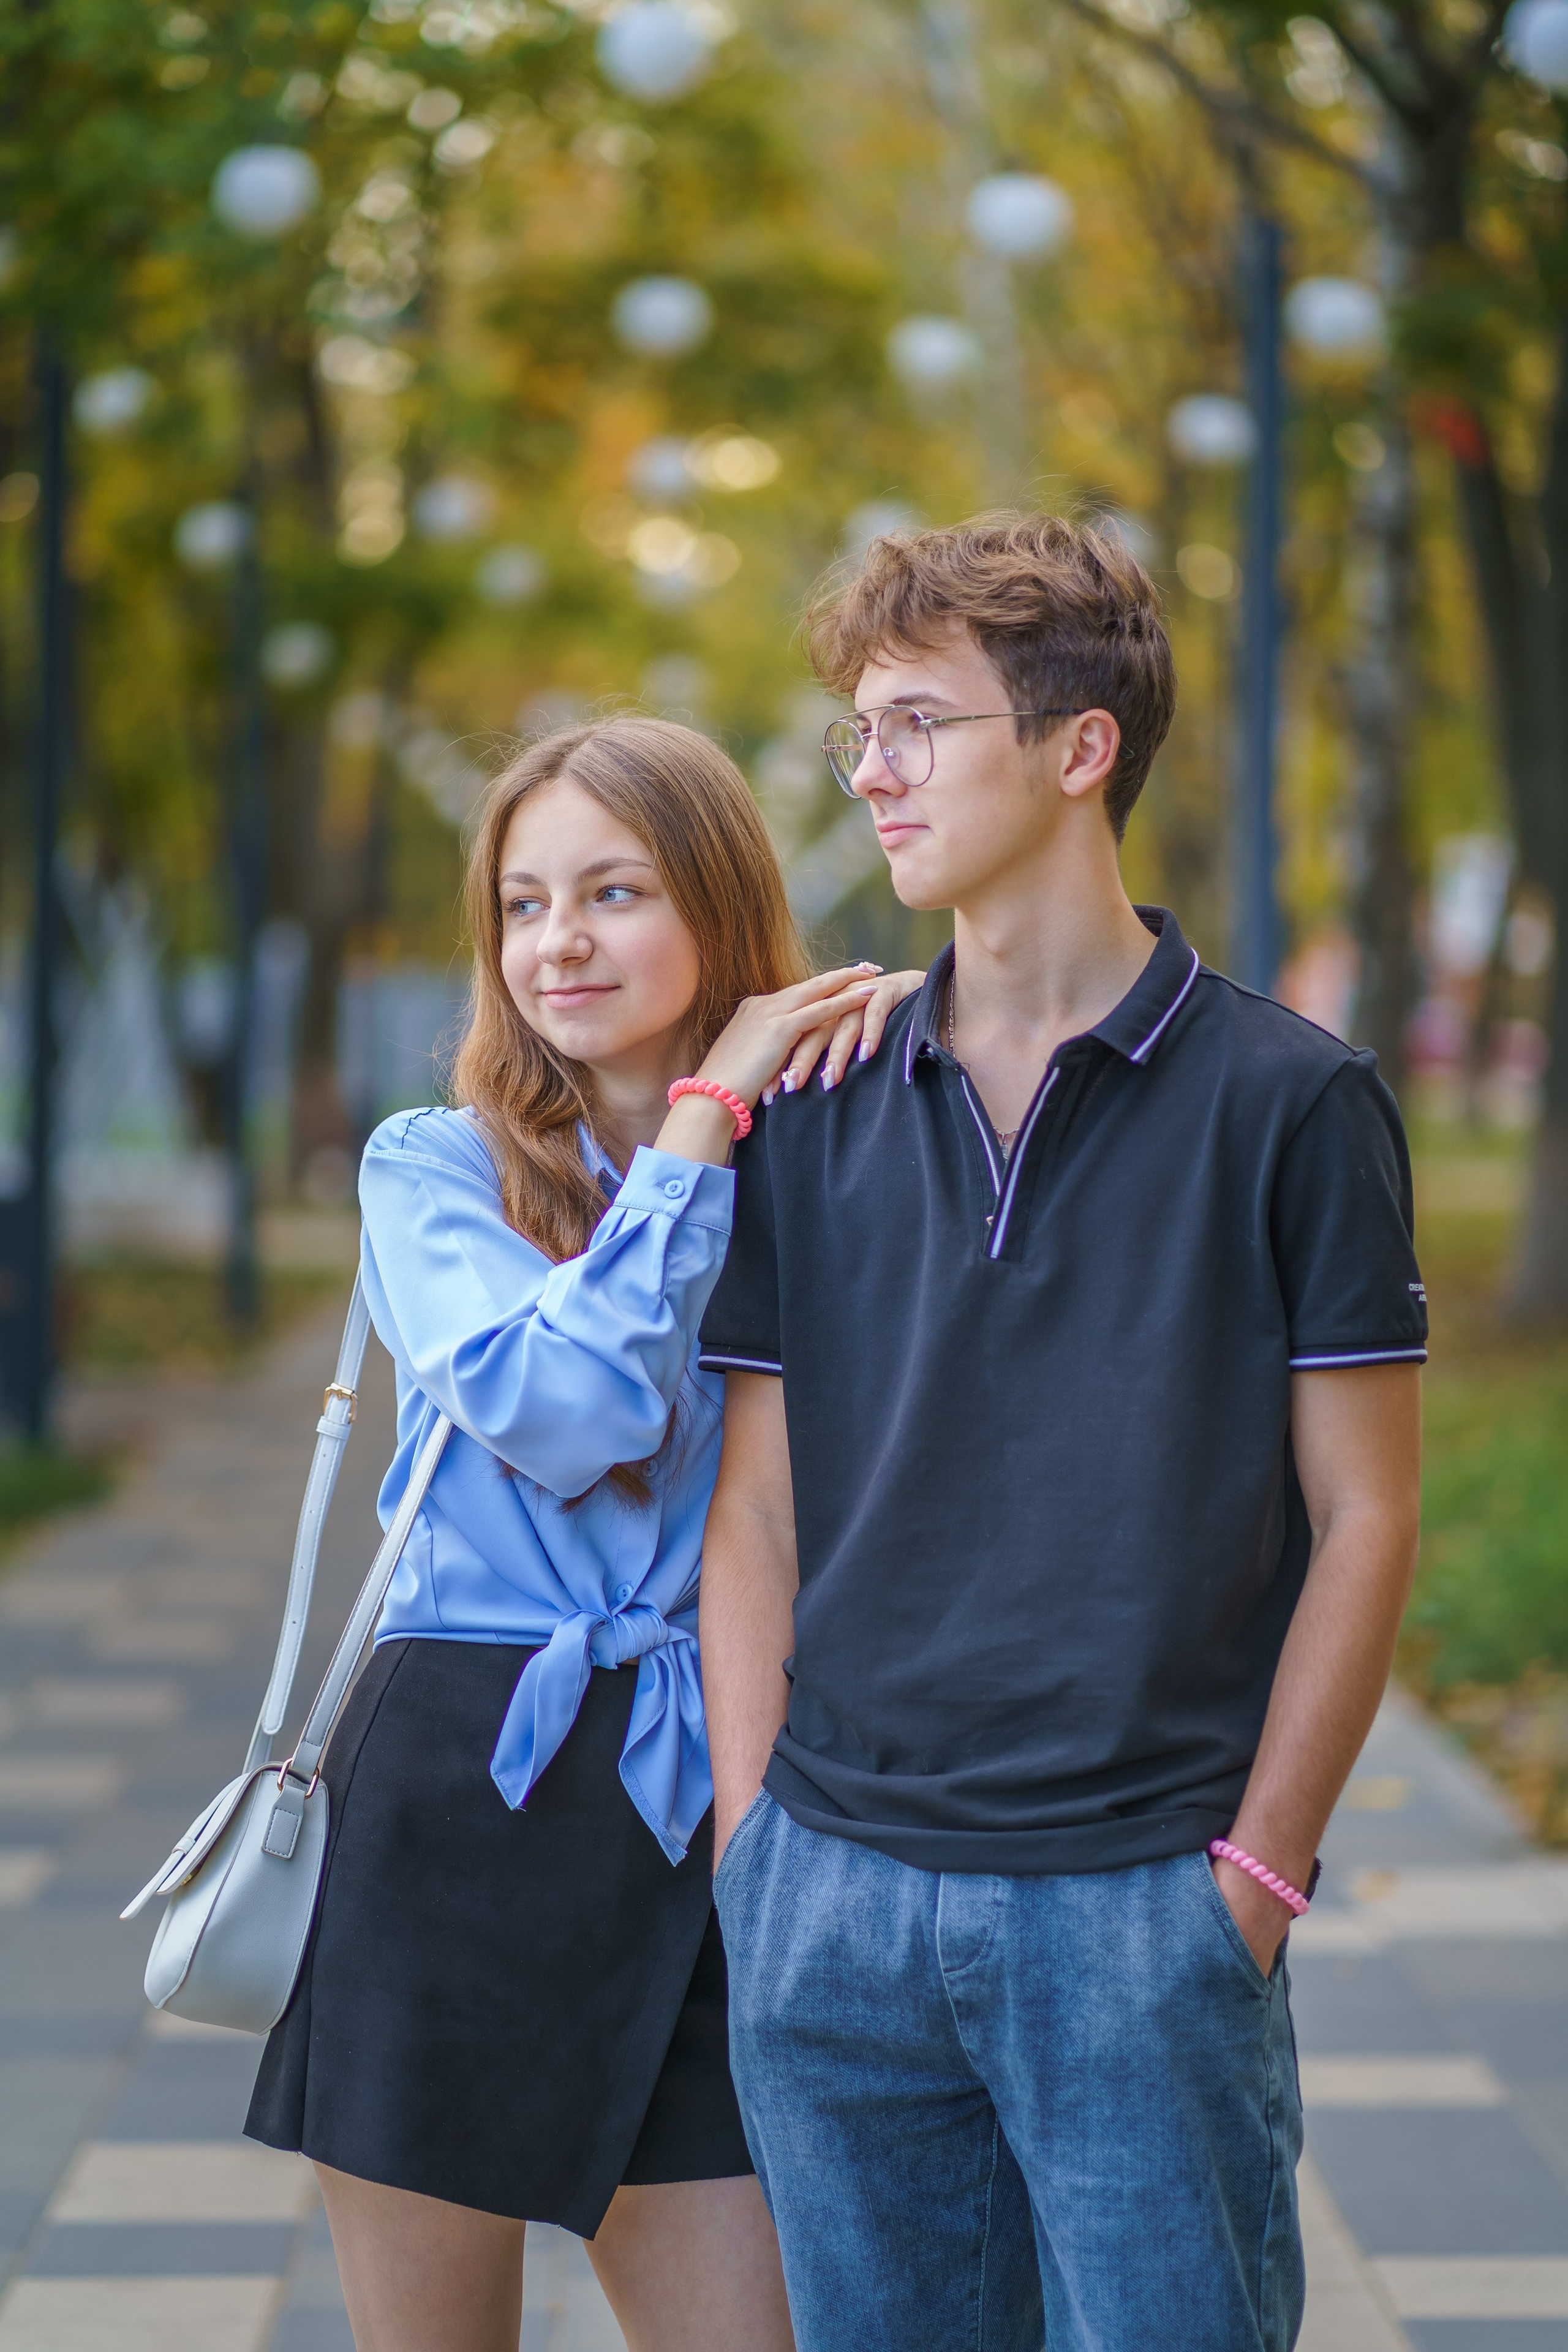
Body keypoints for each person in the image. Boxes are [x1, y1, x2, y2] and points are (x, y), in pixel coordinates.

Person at [697, 514, 1428, 2352]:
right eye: (860, 728)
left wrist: (1256, 1879)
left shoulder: (1293, 1100)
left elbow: (1366, 1518)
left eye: (918, 723)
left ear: (1079, 745)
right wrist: (752, 1850)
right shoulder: (819, 1094)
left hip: (1139, 1921)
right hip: (834, 1907)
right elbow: (756, 1510)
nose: (872, 771)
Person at [246, 714, 920, 2352]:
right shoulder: (434, 1169)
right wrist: (698, 1127)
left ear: (714, 904)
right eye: (525, 903)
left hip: (721, 1791)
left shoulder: (838, 1153)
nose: (561, 941)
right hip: (459, 1800)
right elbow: (567, 1416)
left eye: (613, 892)